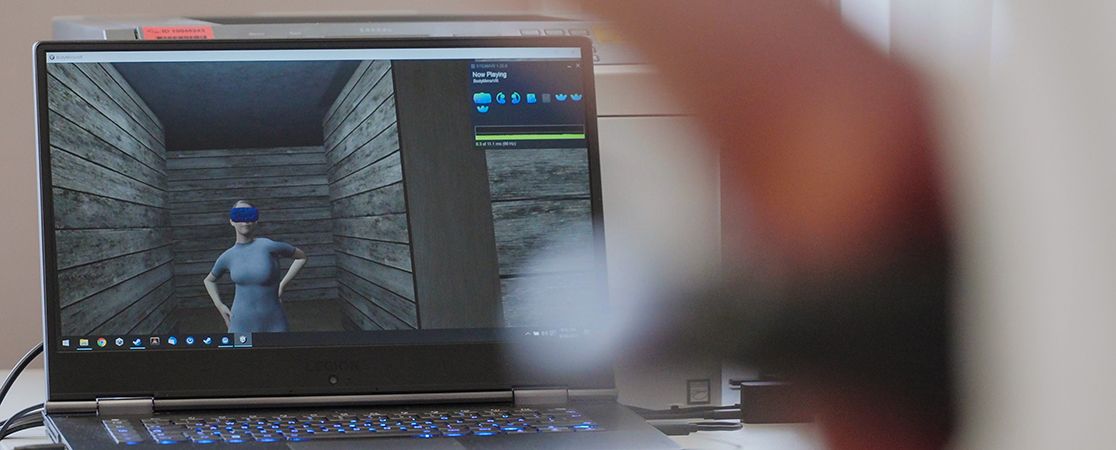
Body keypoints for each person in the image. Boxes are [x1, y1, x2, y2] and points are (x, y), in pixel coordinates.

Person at [203, 200, 308, 333]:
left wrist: (282, 285)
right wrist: (219, 305)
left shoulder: (269, 246)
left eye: (249, 215)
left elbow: (301, 257)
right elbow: (209, 280)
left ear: (256, 220)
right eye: (239, 215)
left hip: (274, 322)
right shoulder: (227, 256)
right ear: (232, 221)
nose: (245, 221)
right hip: (240, 324)